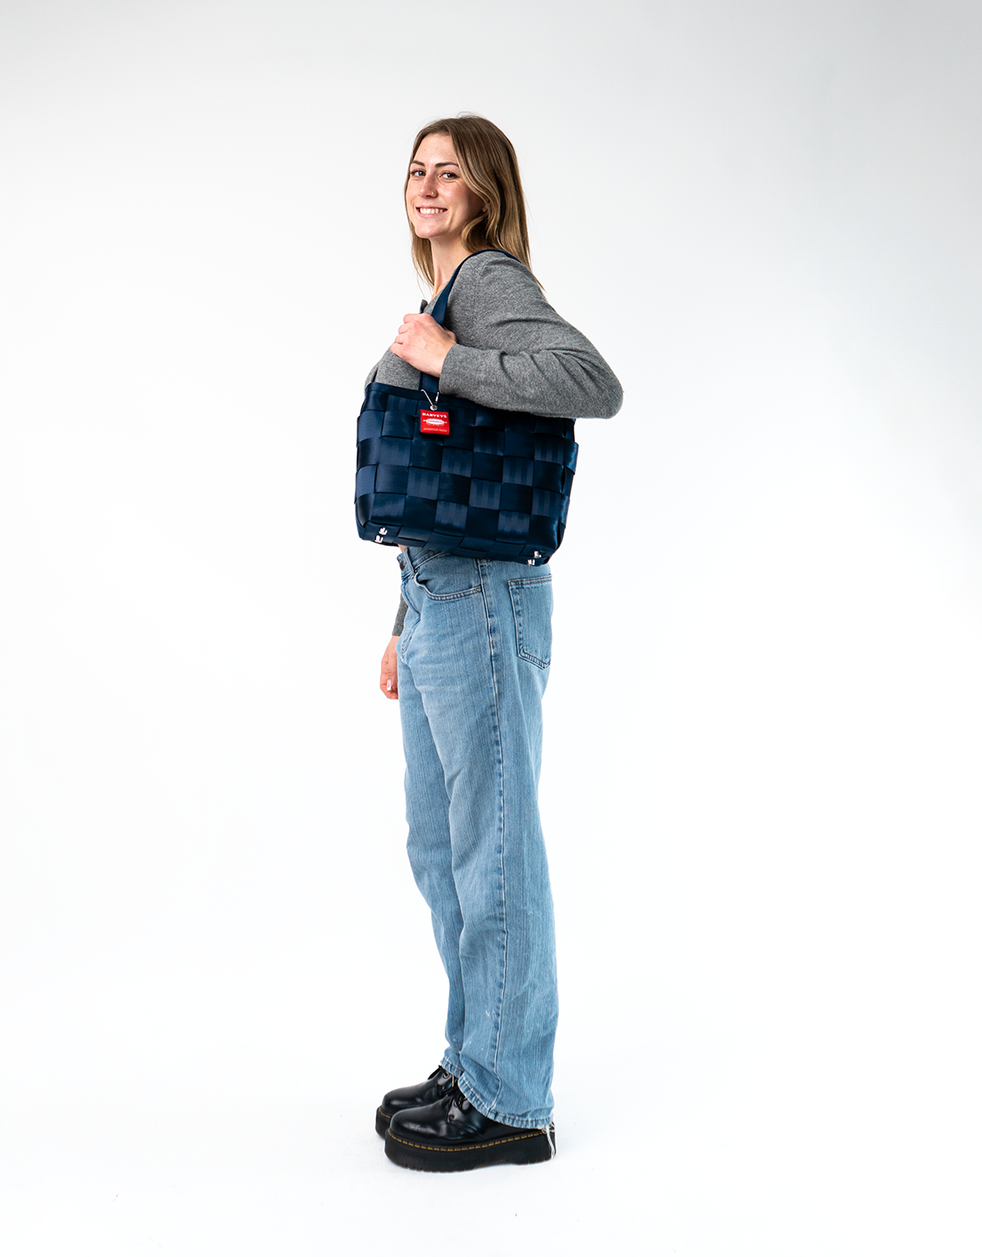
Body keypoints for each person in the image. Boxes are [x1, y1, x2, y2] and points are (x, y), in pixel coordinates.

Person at [367, 115, 622, 1172]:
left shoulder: (483, 281)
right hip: (437, 601)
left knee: (491, 849)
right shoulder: (444, 290)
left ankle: (511, 1096)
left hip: (479, 602)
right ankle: (471, 1059)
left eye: (449, 172)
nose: (429, 185)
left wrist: (452, 358)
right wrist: (398, 618)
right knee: (442, 851)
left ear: (482, 191)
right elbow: (439, 485)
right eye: (417, 169)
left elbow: (591, 383)